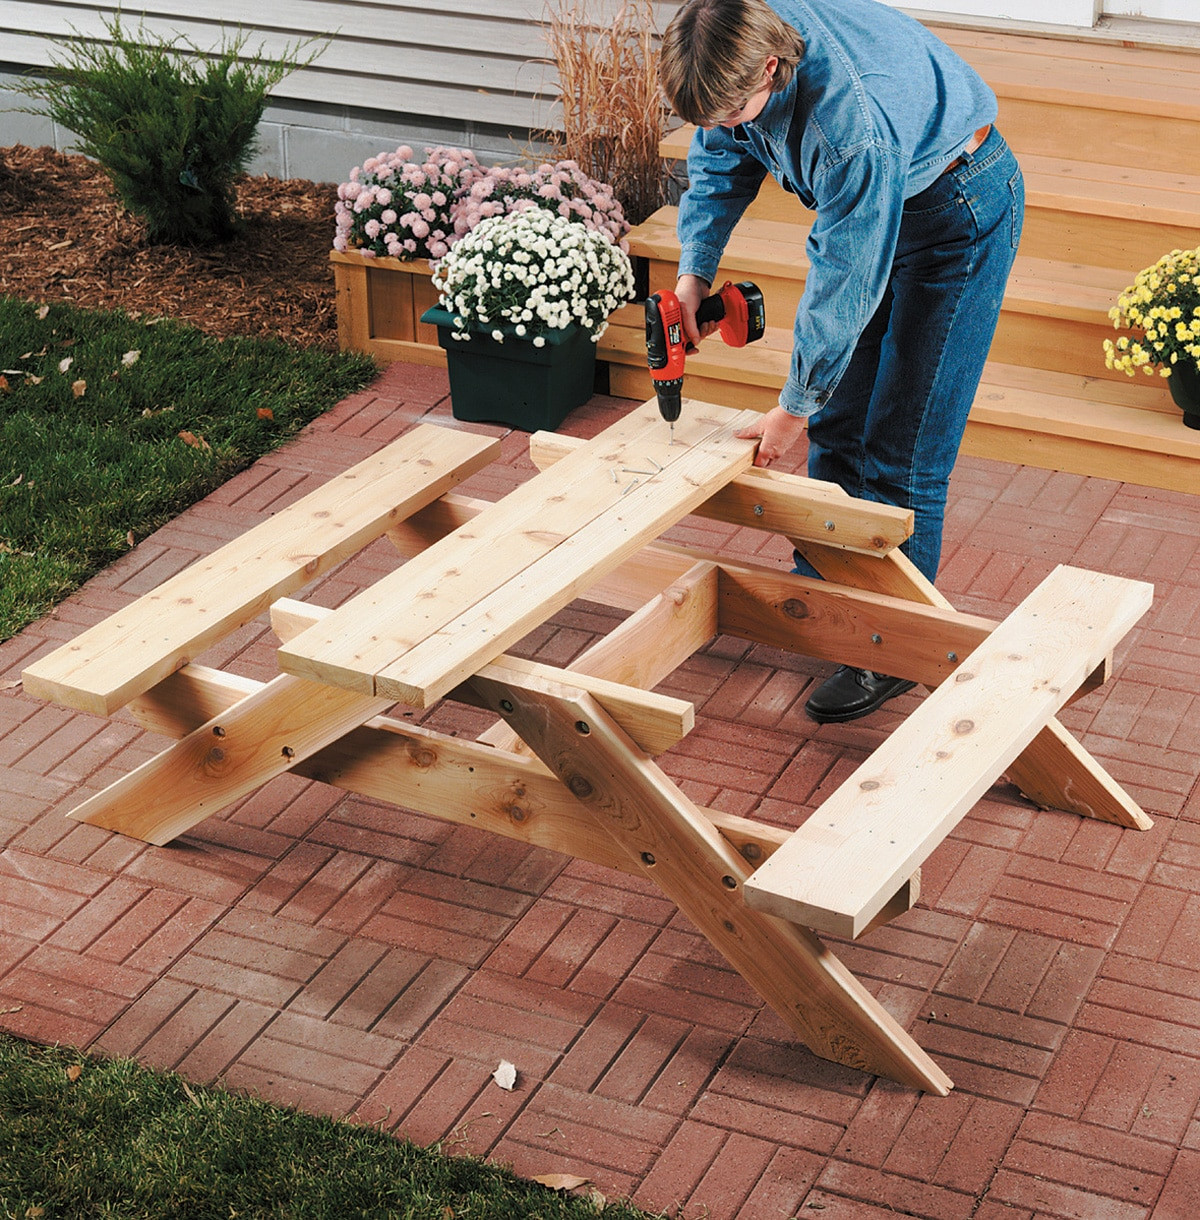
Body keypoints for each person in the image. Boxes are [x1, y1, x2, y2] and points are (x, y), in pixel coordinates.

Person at [660, 0, 1024, 723]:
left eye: (733, 111)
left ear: (771, 66)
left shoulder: (847, 128)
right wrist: (693, 276)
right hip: (894, 189)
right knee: (842, 425)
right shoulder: (731, 48)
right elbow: (720, 152)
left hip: (958, 210)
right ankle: (827, 598)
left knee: (904, 447)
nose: (724, 127)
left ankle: (886, 650)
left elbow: (845, 276)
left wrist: (792, 408)